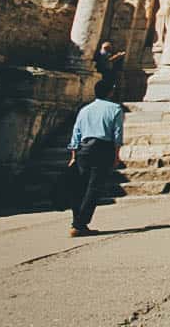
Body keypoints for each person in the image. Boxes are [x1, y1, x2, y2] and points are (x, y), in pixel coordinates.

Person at [67, 79, 125, 237]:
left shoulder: (85, 110)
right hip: (103, 149)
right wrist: (116, 155)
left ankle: (76, 222)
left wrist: (73, 155)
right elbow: (117, 135)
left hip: (83, 150)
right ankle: (80, 224)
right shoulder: (115, 109)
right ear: (110, 92)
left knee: (80, 187)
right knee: (94, 187)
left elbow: (76, 132)